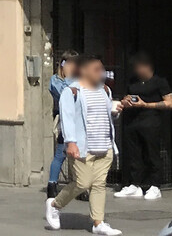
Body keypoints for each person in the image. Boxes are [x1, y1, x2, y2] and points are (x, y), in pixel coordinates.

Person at [48, 55, 119, 236]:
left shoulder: (105, 90)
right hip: (82, 147)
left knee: (99, 185)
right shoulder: (72, 92)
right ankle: (55, 204)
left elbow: (106, 115)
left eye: (102, 70)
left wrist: (116, 111)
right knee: (82, 182)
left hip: (104, 146)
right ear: (84, 71)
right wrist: (71, 142)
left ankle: (98, 222)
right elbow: (67, 118)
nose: (101, 73)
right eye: (96, 70)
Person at [114, 53, 172, 201]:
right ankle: (135, 185)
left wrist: (145, 104)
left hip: (151, 122)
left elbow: (170, 103)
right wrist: (126, 101)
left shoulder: (159, 81)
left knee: (152, 153)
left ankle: (155, 185)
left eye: (139, 67)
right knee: (134, 154)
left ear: (147, 67)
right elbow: (126, 97)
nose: (137, 71)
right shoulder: (133, 81)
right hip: (133, 122)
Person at [46, 52, 79, 197]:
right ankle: (52, 185)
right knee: (61, 153)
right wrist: (68, 78)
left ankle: (78, 186)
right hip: (64, 120)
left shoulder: (80, 79)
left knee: (78, 155)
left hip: (78, 120)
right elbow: (63, 94)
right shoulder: (56, 80)